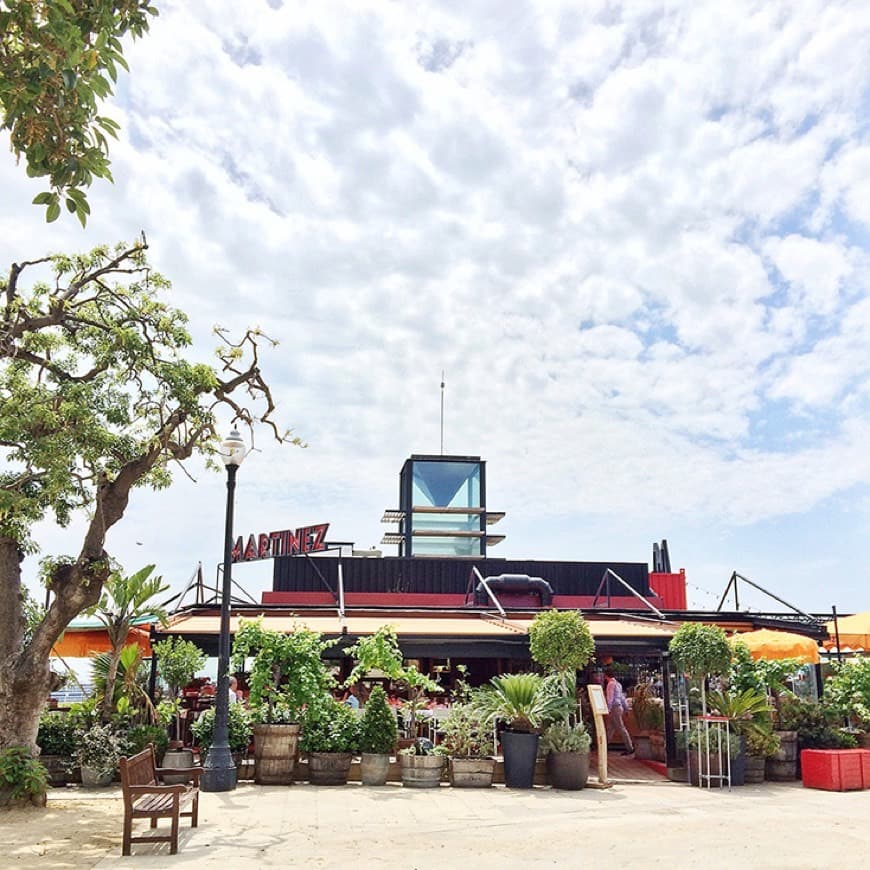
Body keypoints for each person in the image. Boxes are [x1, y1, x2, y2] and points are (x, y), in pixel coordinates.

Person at [604, 668, 634, 755]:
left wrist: (608, 709)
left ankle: (630, 748)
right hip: (619, 707)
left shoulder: (610, 684)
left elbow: (610, 698)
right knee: (610, 728)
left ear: (606, 676)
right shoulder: (618, 684)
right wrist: (626, 708)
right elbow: (622, 698)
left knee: (620, 728)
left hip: (614, 708)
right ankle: (604, 746)